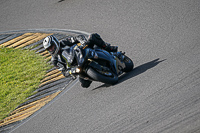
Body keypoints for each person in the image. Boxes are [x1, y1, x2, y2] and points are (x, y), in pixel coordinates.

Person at [43, 33, 118, 88]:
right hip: (77, 67)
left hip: (82, 53)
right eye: (49, 49)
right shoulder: (55, 60)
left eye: (52, 47)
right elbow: (64, 72)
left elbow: (77, 38)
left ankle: (109, 48)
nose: (51, 49)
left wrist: (83, 41)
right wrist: (70, 72)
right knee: (84, 84)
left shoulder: (63, 42)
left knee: (92, 37)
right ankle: (101, 74)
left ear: (55, 42)